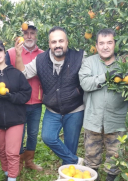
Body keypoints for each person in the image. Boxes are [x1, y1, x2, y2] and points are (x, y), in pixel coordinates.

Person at [14, 26, 84, 165]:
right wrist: (18, 55)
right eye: (54, 42)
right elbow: (23, 73)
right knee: (48, 137)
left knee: (71, 145)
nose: (57, 45)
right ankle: (75, 161)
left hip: (75, 109)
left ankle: (67, 173)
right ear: (49, 44)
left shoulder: (79, 56)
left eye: (61, 41)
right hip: (53, 110)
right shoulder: (40, 59)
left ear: (67, 42)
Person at [78, 28, 128, 181]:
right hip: (93, 116)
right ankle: (94, 174)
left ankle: (111, 180)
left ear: (115, 44)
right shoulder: (89, 62)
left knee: (115, 151)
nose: (105, 47)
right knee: (91, 150)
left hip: (117, 118)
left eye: (109, 43)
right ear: (96, 45)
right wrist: (106, 76)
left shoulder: (124, 63)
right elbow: (85, 83)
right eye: (101, 43)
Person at [0, 39, 32, 181]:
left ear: (4, 53)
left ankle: (11, 180)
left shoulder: (16, 74)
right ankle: (7, 172)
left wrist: (9, 96)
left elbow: (26, 94)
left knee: (12, 152)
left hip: (15, 119)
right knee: (2, 151)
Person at [5, 22, 44, 172]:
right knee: (19, 133)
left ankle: (29, 161)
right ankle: (18, 163)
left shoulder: (42, 55)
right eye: (26, 33)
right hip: (18, 102)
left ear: (36, 35)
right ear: (22, 35)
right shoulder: (11, 53)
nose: (29, 36)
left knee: (33, 133)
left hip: (36, 101)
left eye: (32, 33)